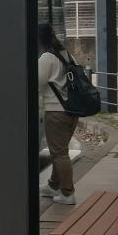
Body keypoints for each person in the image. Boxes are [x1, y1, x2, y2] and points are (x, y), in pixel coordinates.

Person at [38, 23, 78, 205]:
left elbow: (36, 82)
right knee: (59, 150)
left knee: (59, 153)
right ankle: (54, 185)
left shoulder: (47, 58)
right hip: (71, 110)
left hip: (56, 111)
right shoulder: (66, 55)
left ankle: (68, 193)